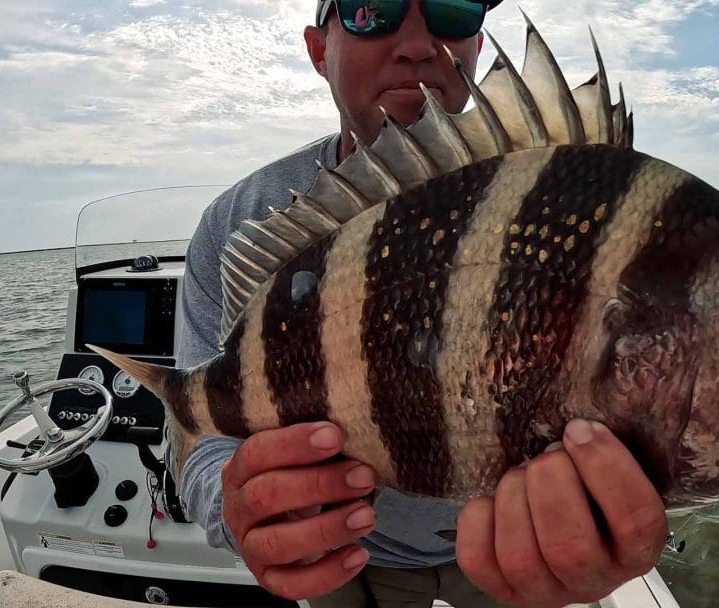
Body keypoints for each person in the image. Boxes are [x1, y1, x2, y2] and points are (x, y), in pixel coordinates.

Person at [173, 1, 669, 606]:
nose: (416, 43)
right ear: (318, 50)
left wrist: (608, 527)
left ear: (476, 44)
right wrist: (240, 510)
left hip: (517, 559)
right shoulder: (240, 222)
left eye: (451, 8)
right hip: (345, 557)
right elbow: (200, 433)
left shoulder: (581, 205)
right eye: (369, 9)